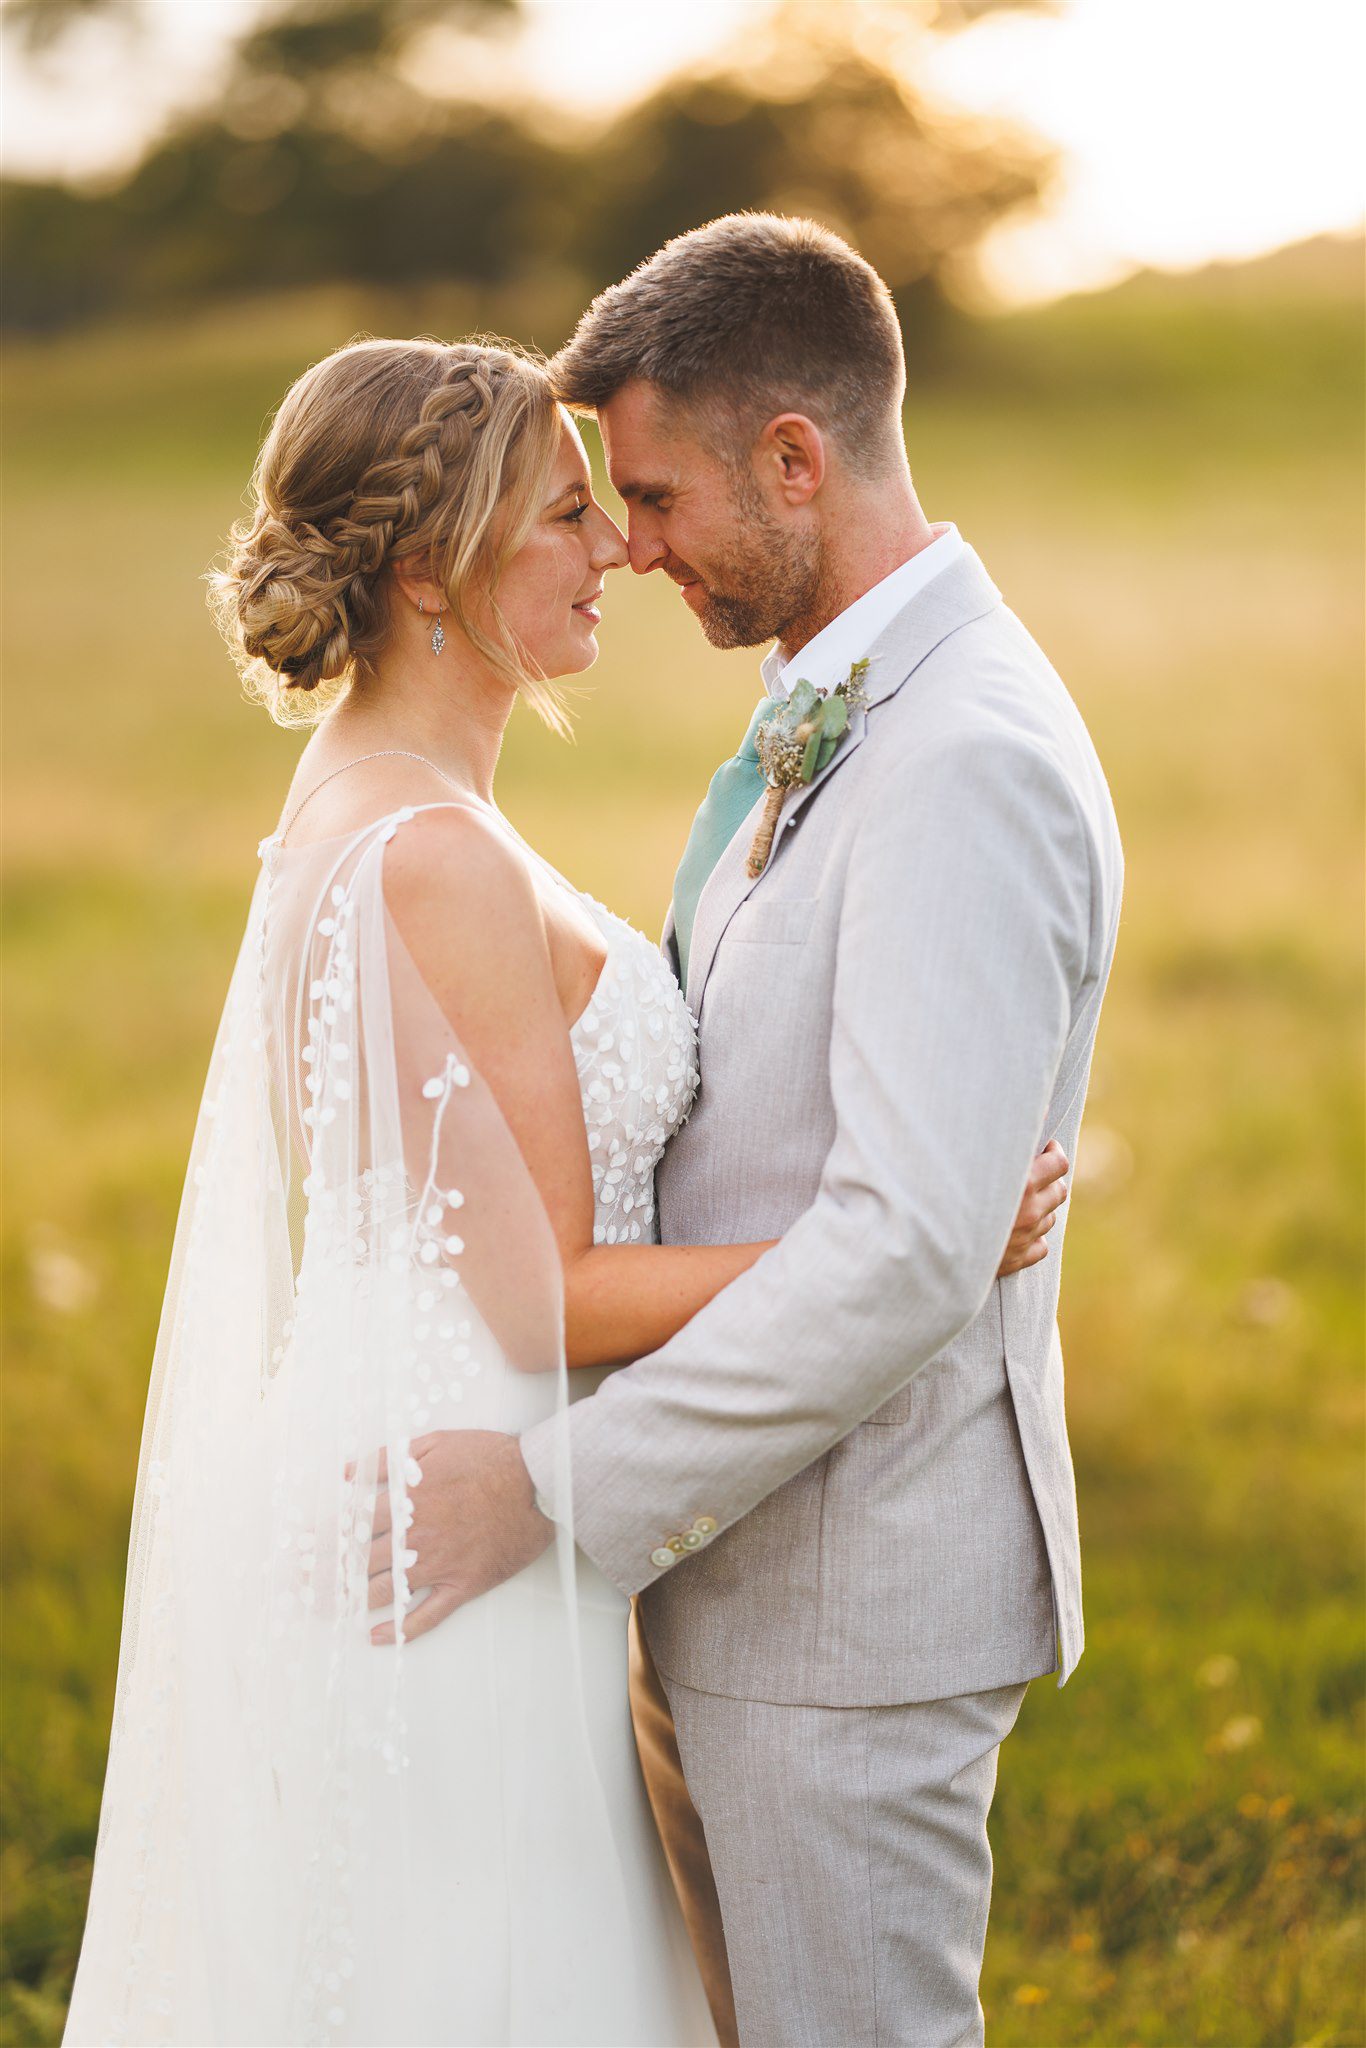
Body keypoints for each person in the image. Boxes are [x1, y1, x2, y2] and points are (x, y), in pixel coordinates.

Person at [61, 330, 1064, 2048]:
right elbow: (543, 1292)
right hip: (463, 1508)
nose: (614, 548)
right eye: (563, 513)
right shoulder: (434, 855)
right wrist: (928, 1242)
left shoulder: (378, 804)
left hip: (451, 1469)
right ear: (435, 571)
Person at [385, 215, 1125, 2048]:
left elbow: (897, 1258)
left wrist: (551, 1496)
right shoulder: (846, 716)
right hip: (728, 1575)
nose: (628, 547)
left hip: (845, 1624)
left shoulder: (961, 760)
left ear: (793, 457)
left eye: (648, 493)